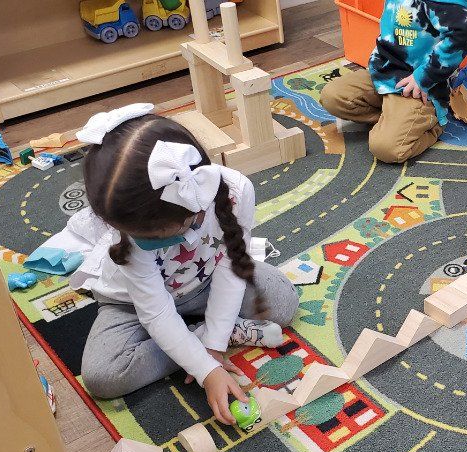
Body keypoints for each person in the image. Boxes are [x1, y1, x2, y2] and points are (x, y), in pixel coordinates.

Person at [38, 104, 298, 425]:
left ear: (191, 210)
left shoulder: (234, 190)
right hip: (130, 304)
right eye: (135, 235)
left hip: (205, 282)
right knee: (103, 376)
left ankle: (206, 333)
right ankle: (198, 334)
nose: (145, 241)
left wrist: (215, 347)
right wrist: (206, 367)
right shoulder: (131, 234)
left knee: (283, 303)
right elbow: (156, 312)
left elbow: (231, 267)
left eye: (157, 236)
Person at [320, 0, 467, 163]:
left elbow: (465, 34)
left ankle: (431, 125)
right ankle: (393, 118)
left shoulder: (442, 6)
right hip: (384, 73)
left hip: (418, 89)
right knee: (331, 97)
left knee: (387, 149)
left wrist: (424, 76)